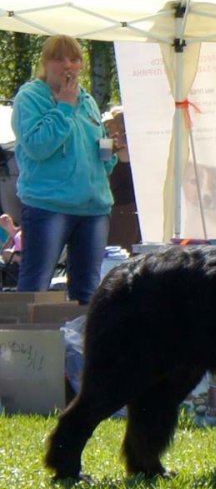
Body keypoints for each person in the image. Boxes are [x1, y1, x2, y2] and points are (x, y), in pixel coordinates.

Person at [11, 35, 117, 304]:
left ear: (82, 64)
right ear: (45, 63)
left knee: (88, 292)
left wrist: (113, 149)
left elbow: (100, 150)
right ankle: (25, 346)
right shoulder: (30, 98)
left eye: (74, 59)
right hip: (49, 206)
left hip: (93, 207)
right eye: (58, 59)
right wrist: (64, 107)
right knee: (36, 287)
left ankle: (80, 346)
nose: (67, 65)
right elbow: (38, 146)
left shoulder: (88, 100)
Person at [105, 108, 142, 252]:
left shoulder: (140, 146)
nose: (109, 129)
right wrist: (114, 146)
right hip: (113, 208)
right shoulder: (105, 145)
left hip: (133, 207)